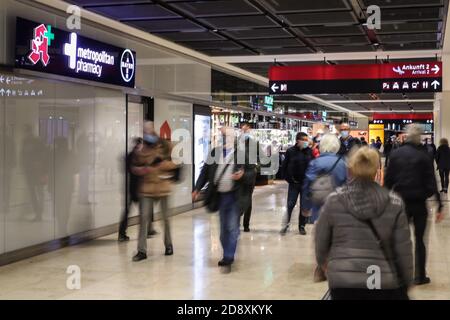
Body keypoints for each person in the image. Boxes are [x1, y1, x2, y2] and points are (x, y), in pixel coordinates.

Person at [316, 147, 413, 300]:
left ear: (352, 169)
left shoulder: (334, 200)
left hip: (343, 282)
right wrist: (407, 280)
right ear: (376, 170)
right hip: (382, 280)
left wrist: (324, 264)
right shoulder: (394, 202)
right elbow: (403, 248)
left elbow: (321, 241)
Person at [385, 124, 444, 285]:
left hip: (399, 203)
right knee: (420, 240)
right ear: (419, 139)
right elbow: (432, 182)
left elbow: (388, 180)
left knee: (398, 239)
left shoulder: (395, 154)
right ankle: (419, 276)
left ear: (406, 137)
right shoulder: (424, 157)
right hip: (419, 204)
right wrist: (439, 204)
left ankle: (399, 273)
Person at [193, 126, 256, 267]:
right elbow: (205, 171)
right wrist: (197, 188)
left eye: (226, 135)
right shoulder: (215, 152)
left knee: (232, 227)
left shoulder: (241, 154)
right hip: (220, 196)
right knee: (222, 231)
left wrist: (243, 175)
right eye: (222, 135)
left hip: (235, 196)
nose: (224, 138)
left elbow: (252, 173)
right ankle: (227, 250)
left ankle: (228, 256)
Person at [131, 122, 178, 261]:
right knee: (143, 218)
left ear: (153, 130)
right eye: (145, 131)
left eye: (149, 130)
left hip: (163, 187)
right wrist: (141, 169)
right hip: (146, 188)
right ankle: (141, 250)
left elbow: (176, 162)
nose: (148, 133)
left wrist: (163, 164)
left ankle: (169, 245)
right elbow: (134, 166)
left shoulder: (164, 145)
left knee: (165, 219)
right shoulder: (141, 148)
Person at [303, 134, 347, 223]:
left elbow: (307, 186)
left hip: (319, 206)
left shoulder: (315, 163)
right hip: (339, 207)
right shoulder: (343, 163)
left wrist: (306, 206)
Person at [280, 132, 313, 235]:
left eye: (306, 140)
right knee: (290, 204)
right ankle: (286, 224)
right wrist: (288, 179)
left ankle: (302, 226)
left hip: (305, 184)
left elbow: (313, 166)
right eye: (304, 140)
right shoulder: (290, 151)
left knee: (304, 206)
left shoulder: (309, 151)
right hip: (294, 183)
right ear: (298, 140)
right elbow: (284, 167)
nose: (306, 142)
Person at [118, 137, 143, 242]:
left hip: (131, 188)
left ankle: (121, 234)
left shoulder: (129, 156)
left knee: (128, 212)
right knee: (143, 212)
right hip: (138, 188)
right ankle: (145, 232)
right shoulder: (138, 156)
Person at [238, 121, 258, 233]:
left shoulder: (253, 144)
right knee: (238, 198)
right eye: (242, 130)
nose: (244, 131)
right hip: (239, 175)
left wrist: (256, 168)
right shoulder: (237, 143)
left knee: (248, 199)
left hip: (250, 175)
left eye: (245, 130)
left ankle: (246, 224)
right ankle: (237, 220)